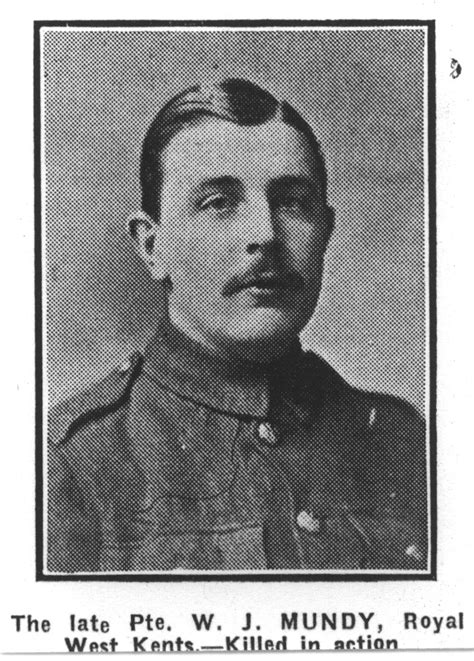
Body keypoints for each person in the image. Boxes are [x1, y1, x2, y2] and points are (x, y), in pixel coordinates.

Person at [47, 78, 427, 573]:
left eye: (292, 202)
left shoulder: (402, 442)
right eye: (218, 202)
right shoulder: (72, 460)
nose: (266, 234)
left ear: (327, 231)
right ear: (152, 246)